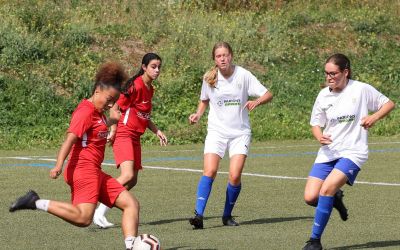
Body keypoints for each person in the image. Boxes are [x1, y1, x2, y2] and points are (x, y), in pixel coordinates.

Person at [9, 61, 140, 250]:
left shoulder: (98, 110)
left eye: (114, 101)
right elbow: (69, 140)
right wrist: (58, 165)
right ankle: (35, 202)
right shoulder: (85, 112)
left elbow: (99, 126)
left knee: (131, 204)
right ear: (97, 91)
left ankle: (131, 247)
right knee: (84, 218)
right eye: (109, 99)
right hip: (82, 170)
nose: (111, 104)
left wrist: (113, 121)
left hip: (94, 171)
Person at [303, 53, 395, 250]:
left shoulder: (360, 89)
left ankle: (314, 241)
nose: (329, 77)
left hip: (353, 151)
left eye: (333, 73)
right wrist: (319, 136)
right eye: (326, 73)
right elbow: (315, 124)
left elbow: (389, 103)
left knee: (326, 189)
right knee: (311, 197)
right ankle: (335, 199)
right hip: (328, 152)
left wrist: (374, 117)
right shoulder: (323, 95)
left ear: (345, 72)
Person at [188, 42, 273, 229]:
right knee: (209, 171)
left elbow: (268, 94)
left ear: (231, 56)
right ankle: (198, 215)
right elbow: (204, 100)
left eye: (225, 55)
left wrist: (256, 101)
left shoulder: (243, 75)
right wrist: (198, 114)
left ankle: (227, 216)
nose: (223, 58)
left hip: (240, 133)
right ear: (215, 59)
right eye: (219, 56)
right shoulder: (209, 78)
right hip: (216, 132)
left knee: (234, 176)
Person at [93, 53, 167, 228]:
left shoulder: (150, 89)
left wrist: (157, 131)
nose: (157, 70)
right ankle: (98, 209)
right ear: (144, 67)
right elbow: (116, 106)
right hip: (125, 133)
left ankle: (101, 210)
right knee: (127, 175)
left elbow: (144, 115)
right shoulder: (136, 85)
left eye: (159, 67)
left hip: (135, 136)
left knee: (132, 180)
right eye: (153, 66)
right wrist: (113, 129)